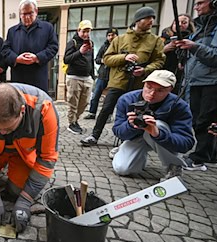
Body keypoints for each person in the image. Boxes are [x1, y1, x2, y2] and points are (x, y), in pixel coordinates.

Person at [0, 83, 59, 233]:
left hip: (22, 155)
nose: (3, 132)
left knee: (17, 192)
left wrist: (25, 201)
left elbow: (47, 159)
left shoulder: (43, 108)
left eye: (8, 128)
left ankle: (12, 180)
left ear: (22, 111)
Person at [80, 6, 165, 146]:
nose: (151, 21)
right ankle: (94, 136)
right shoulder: (120, 39)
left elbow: (159, 61)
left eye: (153, 18)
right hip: (118, 81)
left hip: (139, 84)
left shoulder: (155, 41)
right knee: (106, 109)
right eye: (148, 18)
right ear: (138, 20)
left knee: (134, 112)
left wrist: (145, 70)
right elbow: (107, 59)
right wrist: (124, 57)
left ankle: (127, 142)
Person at [175, 0, 217, 171]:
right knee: (202, 119)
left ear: (216, 2)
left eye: (200, 3)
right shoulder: (208, 24)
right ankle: (211, 157)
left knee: (205, 120)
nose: (196, 7)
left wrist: (194, 46)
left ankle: (199, 158)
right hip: (202, 78)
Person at [112, 70, 194, 180]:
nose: (151, 94)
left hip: (161, 137)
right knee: (123, 168)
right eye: (149, 87)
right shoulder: (127, 99)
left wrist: (158, 133)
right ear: (143, 83)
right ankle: (123, 150)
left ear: (170, 89)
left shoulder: (179, 106)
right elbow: (118, 131)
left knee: (159, 125)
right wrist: (130, 125)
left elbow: (186, 143)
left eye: (160, 90)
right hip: (136, 137)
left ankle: (174, 166)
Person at [1, 0, 58, 93]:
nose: (27, 17)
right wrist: (16, 59)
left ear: (36, 11)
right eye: (24, 14)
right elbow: (5, 50)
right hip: (19, 77)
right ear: (20, 14)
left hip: (38, 77)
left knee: (38, 105)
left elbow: (53, 47)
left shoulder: (47, 28)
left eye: (30, 13)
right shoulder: (12, 31)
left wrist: (37, 57)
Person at [63, 20, 95, 134]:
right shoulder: (72, 42)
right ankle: (72, 123)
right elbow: (66, 59)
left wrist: (92, 76)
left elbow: (91, 59)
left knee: (84, 103)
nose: (86, 34)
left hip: (87, 78)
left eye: (88, 31)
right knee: (73, 103)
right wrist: (80, 52)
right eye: (84, 31)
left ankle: (76, 120)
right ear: (79, 30)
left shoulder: (91, 43)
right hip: (74, 77)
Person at [84, 27, 119, 120]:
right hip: (102, 75)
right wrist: (104, 60)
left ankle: (108, 115)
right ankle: (92, 113)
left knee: (110, 97)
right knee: (96, 94)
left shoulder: (120, 47)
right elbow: (97, 59)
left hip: (114, 76)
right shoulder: (104, 46)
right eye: (109, 35)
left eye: (113, 35)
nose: (111, 37)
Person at [161, 14, 195, 95]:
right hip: (164, 72)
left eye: (184, 22)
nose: (179, 25)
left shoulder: (192, 39)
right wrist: (164, 49)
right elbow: (154, 56)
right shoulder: (163, 38)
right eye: (176, 22)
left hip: (181, 75)